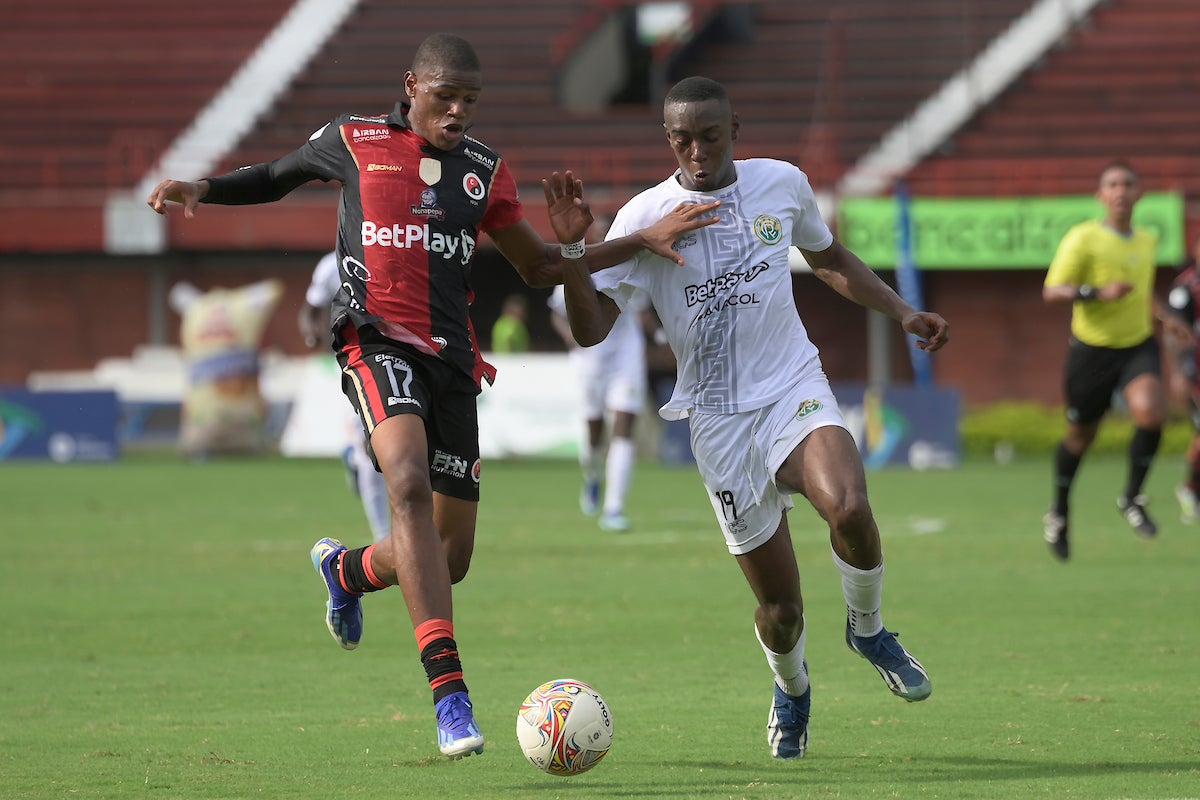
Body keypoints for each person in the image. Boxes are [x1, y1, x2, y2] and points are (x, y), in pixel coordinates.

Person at [146, 33, 719, 760]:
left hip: (452, 362)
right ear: (412, 86)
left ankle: (346, 570)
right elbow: (276, 175)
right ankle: (451, 699)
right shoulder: (353, 140)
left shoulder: (484, 170)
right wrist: (205, 188)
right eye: (446, 97)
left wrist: (618, 241)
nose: (458, 112)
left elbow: (541, 266)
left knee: (449, 558)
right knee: (407, 482)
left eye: (470, 101)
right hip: (374, 340)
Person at [546, 76, 949, 761]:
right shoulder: (647, 215)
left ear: (734, 129)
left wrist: (902, 311)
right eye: (682, 140)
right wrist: (575, 254)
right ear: (668, 140)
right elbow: (590, 331)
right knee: (782, 612)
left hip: (792, 384)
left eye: (710, 136)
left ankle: (869, 630)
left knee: (850, 507)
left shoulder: (781, 184)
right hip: (718, 421)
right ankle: (792, 688)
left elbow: (828, 259)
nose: (697, 152)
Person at [1041, 160, 1188, 560]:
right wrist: (1096, 292)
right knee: (1080, 436)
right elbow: (1052, 291)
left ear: (1139, 194)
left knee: (1152, 414)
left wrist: (1165, 317)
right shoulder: (1083, 238)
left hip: (1137, 345)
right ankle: (1059, 511)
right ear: (1101, 195)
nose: (1120, 190)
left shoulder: (1146, 240)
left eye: (1127, 184)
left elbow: (1141, 291)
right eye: (1112, 184)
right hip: (1091, 351)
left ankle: (1132, 497)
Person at [299, 250, 391, 543]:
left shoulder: (391, 251)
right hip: (354, 361)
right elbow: (310, 309)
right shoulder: (331, 265)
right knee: (368, 448)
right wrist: (313, 334)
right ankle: (384, 538)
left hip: (397, 358)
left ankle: (353, 457)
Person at [547, 282, 648, 531]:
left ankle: (614, 508)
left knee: (624, 422)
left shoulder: (633, 262)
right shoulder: (579, 267)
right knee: (594, 430)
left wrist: (660, 336)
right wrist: (571, 336)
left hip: (626, 352)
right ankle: (592, 475)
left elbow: (641, 310)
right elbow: (557, 313)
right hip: (590, 355)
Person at [1164, 231, 1200, 522]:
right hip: (1196, 371)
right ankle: (1190, 488)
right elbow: (1172, 331)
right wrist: (1176, 373)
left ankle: (1191, 488)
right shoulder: (1185, 287)